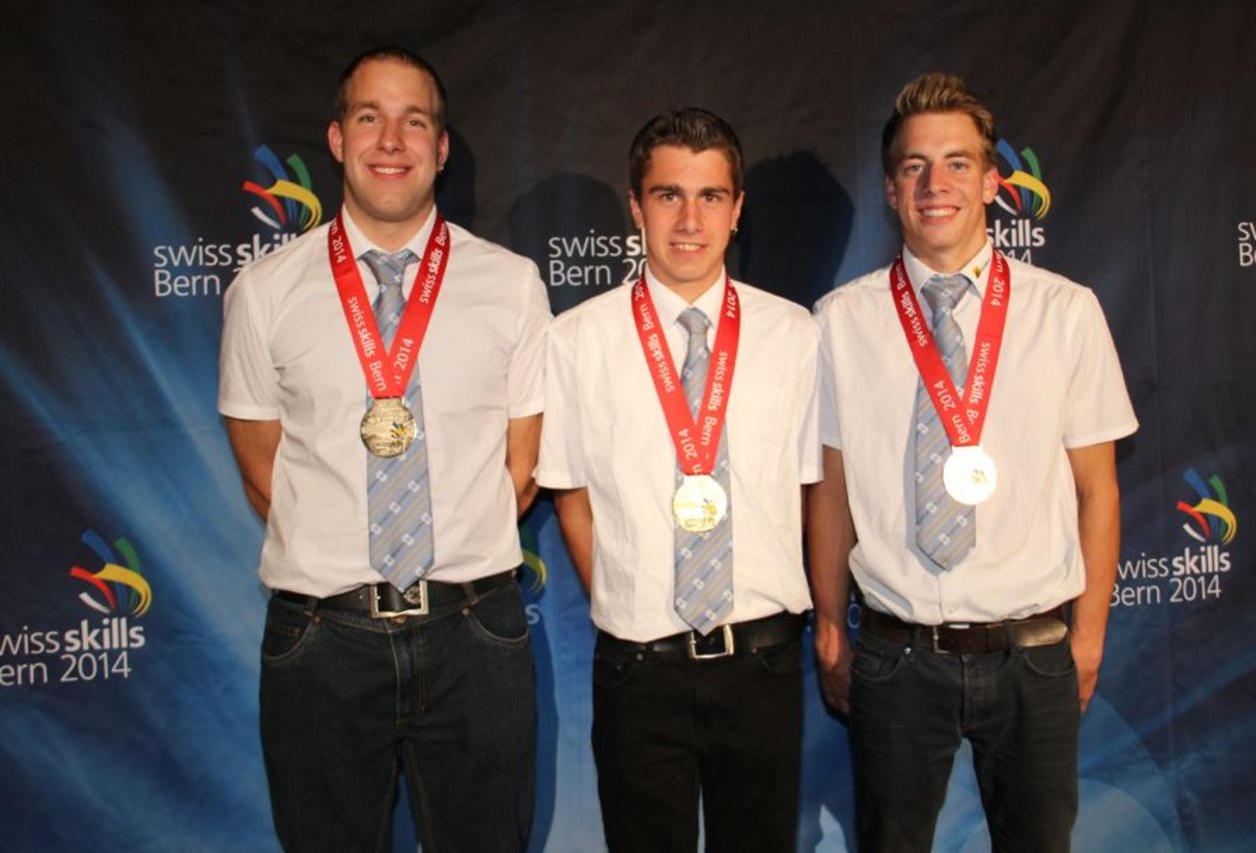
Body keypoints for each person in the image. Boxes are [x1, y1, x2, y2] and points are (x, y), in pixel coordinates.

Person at [218, 46, 549, 852]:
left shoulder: (510, 285)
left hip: (474, 631)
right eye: (370, 117)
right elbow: (265, 471)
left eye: (414, 121)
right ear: (337, 139)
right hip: (322, 641)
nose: (391, 139)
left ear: (441, 147)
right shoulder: (264, 292)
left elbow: (521, 468)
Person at [808, 72, 1137, 852]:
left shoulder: (1066, 311)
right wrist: (829, 626)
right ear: (891, 189)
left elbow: (1098, 488)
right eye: (916, 166)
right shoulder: (839, 321)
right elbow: (830, 490)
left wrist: (1087, 638)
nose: (936, 184)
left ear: (993, 180)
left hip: (1035, 657)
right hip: (896, 656)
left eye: (957, 163)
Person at [536, 108, 820, 852]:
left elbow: (810, 491)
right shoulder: (575, 341)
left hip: (761, 661)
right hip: (640, 669)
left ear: (737, 209)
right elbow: (573, 501)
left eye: (710, 197)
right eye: (668, 195)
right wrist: (634, 609)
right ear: (637, 206)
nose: (689, 219)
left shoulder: (795, 334)